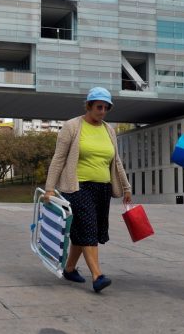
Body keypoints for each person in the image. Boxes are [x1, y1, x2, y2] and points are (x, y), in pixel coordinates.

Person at [44, 87, 132, 293]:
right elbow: (58, 159)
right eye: (98, 107)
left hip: (102, 188)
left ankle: (70, 268)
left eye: (106, 108)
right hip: (77, 187)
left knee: (85, 230)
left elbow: (116, 160)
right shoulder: (72, 126)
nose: (102, 111)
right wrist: (49, 188)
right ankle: (97, 276)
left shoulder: (109, 130)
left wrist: (126, 186)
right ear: (89, 106)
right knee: (89, 228)